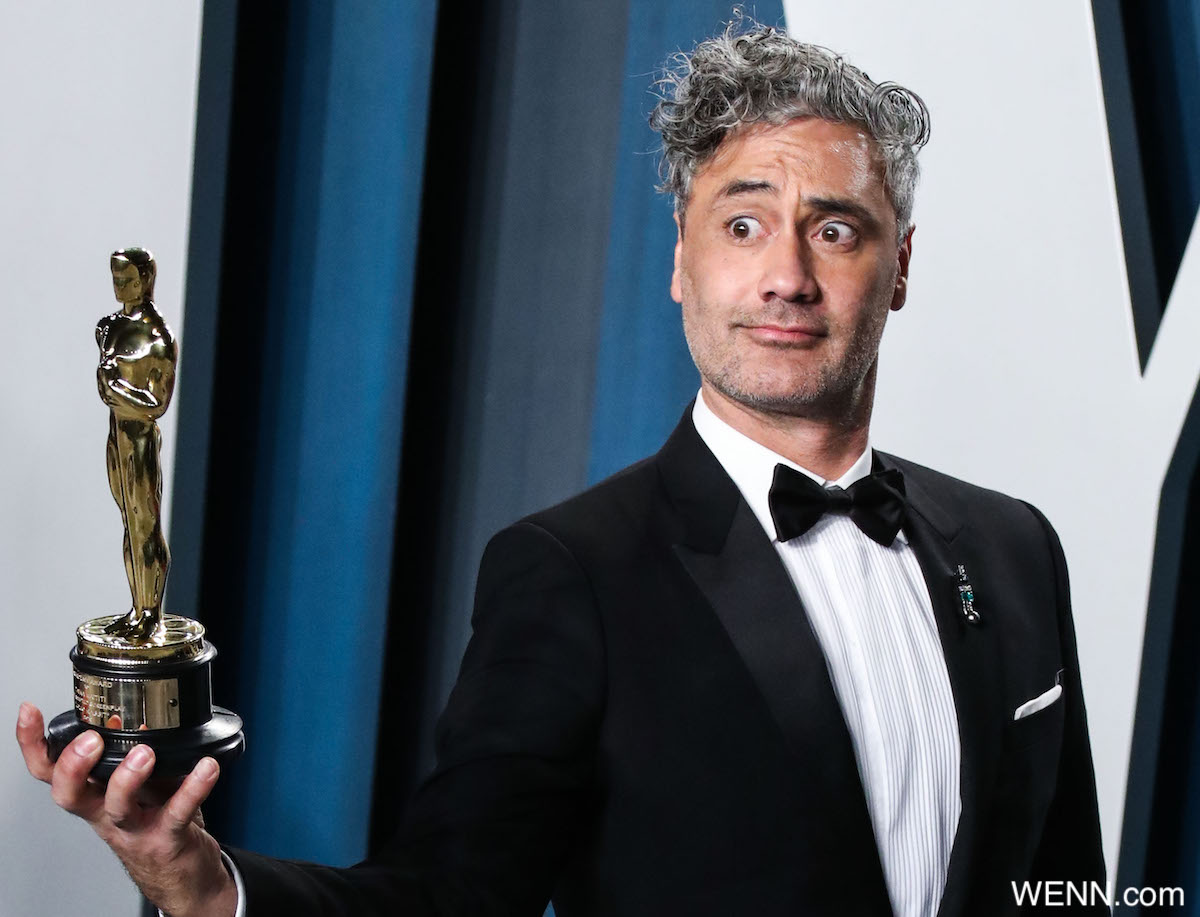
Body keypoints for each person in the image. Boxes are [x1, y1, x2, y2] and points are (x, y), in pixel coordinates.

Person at [16, 23, 1105, 916]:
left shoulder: (1014, 547)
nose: (786, 275)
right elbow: (447, 899)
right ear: (681, 257)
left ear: (899, 264)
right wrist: (212, 892)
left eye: (835, 229)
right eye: (743, 223)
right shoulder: (571, 572)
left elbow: (1067, 887)